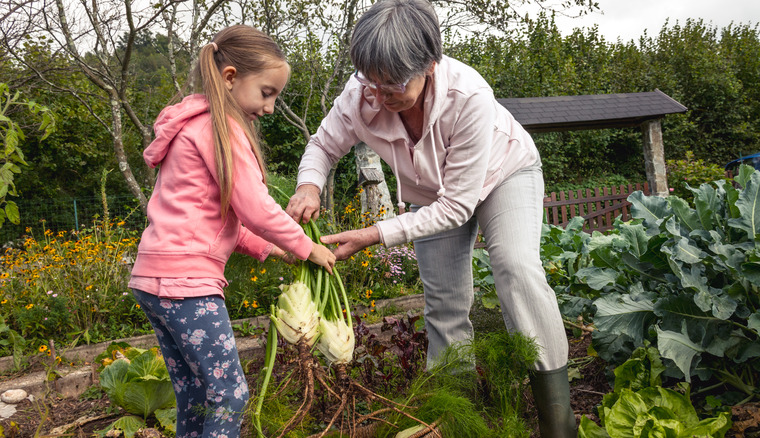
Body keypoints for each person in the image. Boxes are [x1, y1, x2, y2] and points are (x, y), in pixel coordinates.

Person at [284, 0, 576, 436]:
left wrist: (375, 234)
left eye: (394, 83)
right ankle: (459, 418)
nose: (381, 95)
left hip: (504, 175)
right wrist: (309, 183)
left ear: (431, 63)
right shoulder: (360, 92)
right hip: (429, 196)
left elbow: (457, 207)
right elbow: (323, 146)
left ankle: (558, 422)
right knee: (444, 304)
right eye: (373, 81)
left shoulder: (469, 96)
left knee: (517, 270)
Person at [129, 25, 336, 438]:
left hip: (153, 279)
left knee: (194, 393)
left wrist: (274, 250)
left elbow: (217, 219)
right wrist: (308, 247)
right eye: (267, 92)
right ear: (230, 77)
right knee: (230, 394)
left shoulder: (192, 127)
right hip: (186, 284)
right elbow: (255, 208)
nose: (272, 107)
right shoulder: (221, 131)